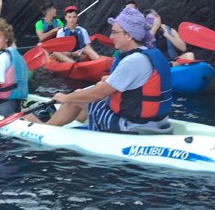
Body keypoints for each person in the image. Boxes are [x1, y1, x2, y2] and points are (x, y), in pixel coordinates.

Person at [26, 8, 173, 134]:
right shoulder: (151, 52)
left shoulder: (133, 61)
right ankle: (76, 120)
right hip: (158, 121)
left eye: (115, 32)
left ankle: (47, 129)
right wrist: (108, 80)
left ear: (129, 35)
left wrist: (66, 98)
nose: (111, 37)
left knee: (76, 97)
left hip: (132, 125)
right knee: (83, 96)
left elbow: (99, 93)